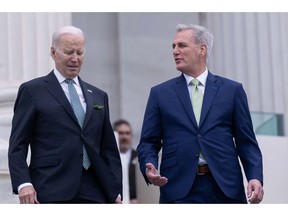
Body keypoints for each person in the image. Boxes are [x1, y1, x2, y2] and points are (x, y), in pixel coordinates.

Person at [137, 24, 264, 204]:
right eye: (173, 46)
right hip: (178, 189)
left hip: (225, 188)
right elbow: (148, 142)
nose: (175, 51)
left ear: (202, 49)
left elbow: (247, 142)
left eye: (182, 45)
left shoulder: (232, 90)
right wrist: (148, 165)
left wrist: (255, 177)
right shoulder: (160, 93)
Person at [8, 25, 122, 204]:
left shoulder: (99, 95)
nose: (75, 59)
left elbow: (108, 149)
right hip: (50, 187)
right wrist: (23, 183)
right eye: (69, 52)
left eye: (80, 52)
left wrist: (116, 189)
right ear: (53, 53)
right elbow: (18, 145)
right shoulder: (33, 91)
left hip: (96, 189)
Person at [113, 119, 138, 204]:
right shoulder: (107, 159)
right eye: (120, 133)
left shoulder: (139, 158)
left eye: (127, 133)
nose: (124, 137)